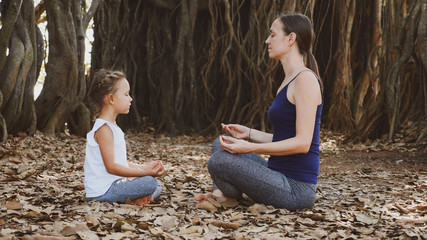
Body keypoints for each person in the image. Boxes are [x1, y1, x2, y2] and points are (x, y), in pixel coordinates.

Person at [195, 13, 323, 210]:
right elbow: (284, 138)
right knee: (221, 144)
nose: (267, 41)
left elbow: (302, 143)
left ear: (291, 38)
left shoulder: (305, 80)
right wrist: (249, 133)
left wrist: (248, 147)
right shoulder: (288, 80)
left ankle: (227, 195)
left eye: (272, 35)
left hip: (296, 189)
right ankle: (226, 194)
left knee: (219, 161)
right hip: (276, 173)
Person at [84, 69, 165, 206]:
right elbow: (111, 167)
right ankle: (137, 198)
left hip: (114, 186)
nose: (130, 98)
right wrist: (143, 172)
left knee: (156, 185)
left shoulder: (113, 126)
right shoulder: (104, 129)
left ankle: (138, 198)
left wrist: (145, 167)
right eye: (126, 94)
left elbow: (120, 162)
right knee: (150, 183)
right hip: (102, 192)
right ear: (111, 99)